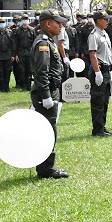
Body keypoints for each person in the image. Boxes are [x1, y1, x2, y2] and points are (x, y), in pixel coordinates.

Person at [31, 10, 70, 179]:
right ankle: (46, 169)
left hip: (52, 90)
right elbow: (42, 71)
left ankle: (46, 166)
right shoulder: (43, 43)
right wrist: (46, 95)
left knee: (49, 127)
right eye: (57, 23)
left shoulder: (49, 41)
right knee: (48, 130)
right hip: (45, 93)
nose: (61, 26)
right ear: (48, 24)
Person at [87, 10, 112, 137]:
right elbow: (93, 55)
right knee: (98, 101)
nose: (107, 21)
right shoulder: (94, 35)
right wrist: (97, 72)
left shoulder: (104, 33)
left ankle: (102, 126)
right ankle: (97, 130)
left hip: (106, 70)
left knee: (104, 100)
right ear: (98, 20)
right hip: (100, 70)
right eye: (105, 19)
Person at [0, 18, 15, 92]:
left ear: (5, 23)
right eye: (0, 22)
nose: (2, 24)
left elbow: (12, 44)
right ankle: (1, 87)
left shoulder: (10, 32)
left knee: (8, 72)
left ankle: (6, 87)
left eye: (3, 22)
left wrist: (13, 55)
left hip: (8, 54)